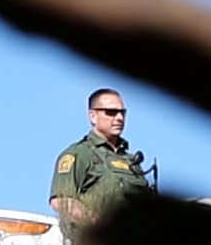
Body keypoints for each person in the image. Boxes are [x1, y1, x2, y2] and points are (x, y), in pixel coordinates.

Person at [50, 87, 152, 232]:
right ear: (93, 116)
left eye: (122, 113)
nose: (119, 118)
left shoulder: (132, 162)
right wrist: (98, 224)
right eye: (111, 112)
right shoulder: (79, 154)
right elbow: (61, 201)